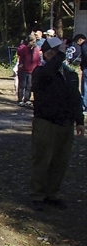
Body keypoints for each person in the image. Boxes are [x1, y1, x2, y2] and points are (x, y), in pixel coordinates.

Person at [29, 37, 85, 211]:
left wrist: (79, 121)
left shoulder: (70, 74)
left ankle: (53, 193)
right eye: (54, 51)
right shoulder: (41, 72)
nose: (58, 54)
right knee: (42, 159)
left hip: (65, 123)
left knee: (61, 161)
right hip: (45, 122)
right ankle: (37, 195)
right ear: (47, 53)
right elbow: (48, 73)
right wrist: (58, 55)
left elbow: (75, 98)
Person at [16, 34, 41, 106]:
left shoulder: (36, 48)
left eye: (34, 41)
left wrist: (39, 67)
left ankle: (27, 99)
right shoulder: (23, 47)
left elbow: (38, 59)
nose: (34, 43)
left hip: (32, 70)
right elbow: (19, 53)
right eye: (32, 41)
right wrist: (27, 47)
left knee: (29, 86)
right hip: (23, 70)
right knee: (22, 85)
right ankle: (20, 99)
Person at [71, 34, 87, 111]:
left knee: (85, 87)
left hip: (86, 68)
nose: (77, 44)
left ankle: (84, 105)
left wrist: (82, 65)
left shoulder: (84, 46)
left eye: (77, 41)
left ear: (81, 39)